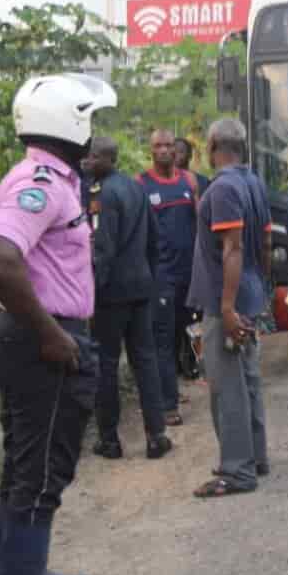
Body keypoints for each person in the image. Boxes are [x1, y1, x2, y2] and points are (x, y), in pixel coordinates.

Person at [0, 73, 117, 575]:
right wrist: (51, 336)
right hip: (38, 340)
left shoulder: (53, 177)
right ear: (70, 121)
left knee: (25, 463)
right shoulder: (39, 180)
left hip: (29, 334)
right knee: (39, 468)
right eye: (90, 118)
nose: (94, 131)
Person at [189, 118, 272, 497]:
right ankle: (254, 457)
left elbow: (233, 250)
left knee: (228, 388)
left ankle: (237, 471)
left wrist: (225, 308)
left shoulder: (223, 189)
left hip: (230, 302)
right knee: (248, 381)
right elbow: (265, 245)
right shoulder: (252, 182)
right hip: (249, 295)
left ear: (211, 146)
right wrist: (261, 294)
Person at [82, 137, 173, 461]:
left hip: (112, 293)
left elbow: (103, 247)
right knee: (145, 360)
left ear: (107, 158)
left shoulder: (103, 194)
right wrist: (147, 276)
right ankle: (156, 435)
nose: (87, 163)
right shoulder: (136, 188)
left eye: (92, 158)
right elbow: (153, 237)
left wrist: (93, 290)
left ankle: (109, 439)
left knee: (106, 363)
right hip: (141, 288)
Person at [139, 129, 203, 426]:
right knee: (162, 340)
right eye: (158, 146)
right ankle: (168, 405)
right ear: (151, 150)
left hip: (190, 274)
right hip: (161, 276)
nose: (164, 150)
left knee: (189, 334)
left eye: (168, 145)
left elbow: (201, 223)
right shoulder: (141, 184)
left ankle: (193, 383)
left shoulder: (188, 181)